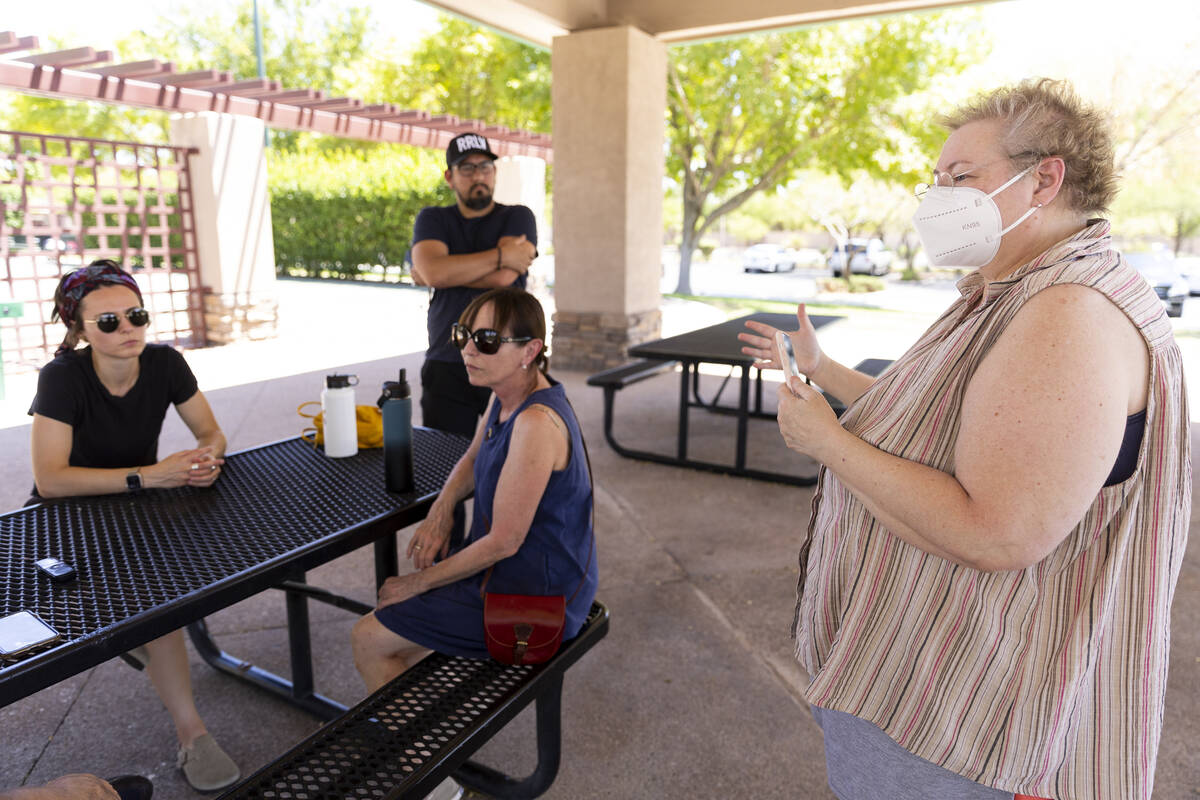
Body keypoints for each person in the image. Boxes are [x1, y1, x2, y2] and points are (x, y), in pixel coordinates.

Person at [739, 79, 1189, 800]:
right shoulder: (1017, 290)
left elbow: (997, 533)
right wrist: (827, 373)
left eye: (960, 177)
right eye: (936, 179)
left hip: (960, 720)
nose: (935, 197)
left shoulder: (1068, 315)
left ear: (1044, 179)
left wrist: (828, 444)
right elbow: (944, 420)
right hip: (917, 685)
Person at [27, 260, 240, 793]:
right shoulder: (61, 377)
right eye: (108, 322)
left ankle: (134, 632)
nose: (127, 329)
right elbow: (50, 480)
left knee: (160, 598)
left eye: (136, 315)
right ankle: (193, 732)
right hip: (62, 519)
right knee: (156, 605)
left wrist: (204, 460)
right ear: (78, 330)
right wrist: (151, 475)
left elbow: (212, 432)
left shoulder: (165, 363)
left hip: (138, 505)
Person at [351, 286, 598, 683]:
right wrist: (442, 508)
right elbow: (472, 456)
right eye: (463, 336)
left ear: (530, 351)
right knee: (395, 624)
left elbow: (504, 542)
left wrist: (418, 582)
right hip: (511, 573)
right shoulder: (509, 392)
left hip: (533, 599)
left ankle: (415, 744)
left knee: (368, 636)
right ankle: (419, 727)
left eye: (486, 341)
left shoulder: (535, 422)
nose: (468, 350)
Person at [409, 133, 538, 546]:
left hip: (510, 366)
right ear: (450, 177)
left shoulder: (518, 216)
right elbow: (437, 274)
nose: (478, 176)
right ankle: (447, 560)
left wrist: (444, 271)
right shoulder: (433, 218)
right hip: (447, 363)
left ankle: (493, 557)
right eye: (467, 169)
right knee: (445, 474)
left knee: (507, 468)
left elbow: (500, 283)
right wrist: (502, 258)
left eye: (485, 167)